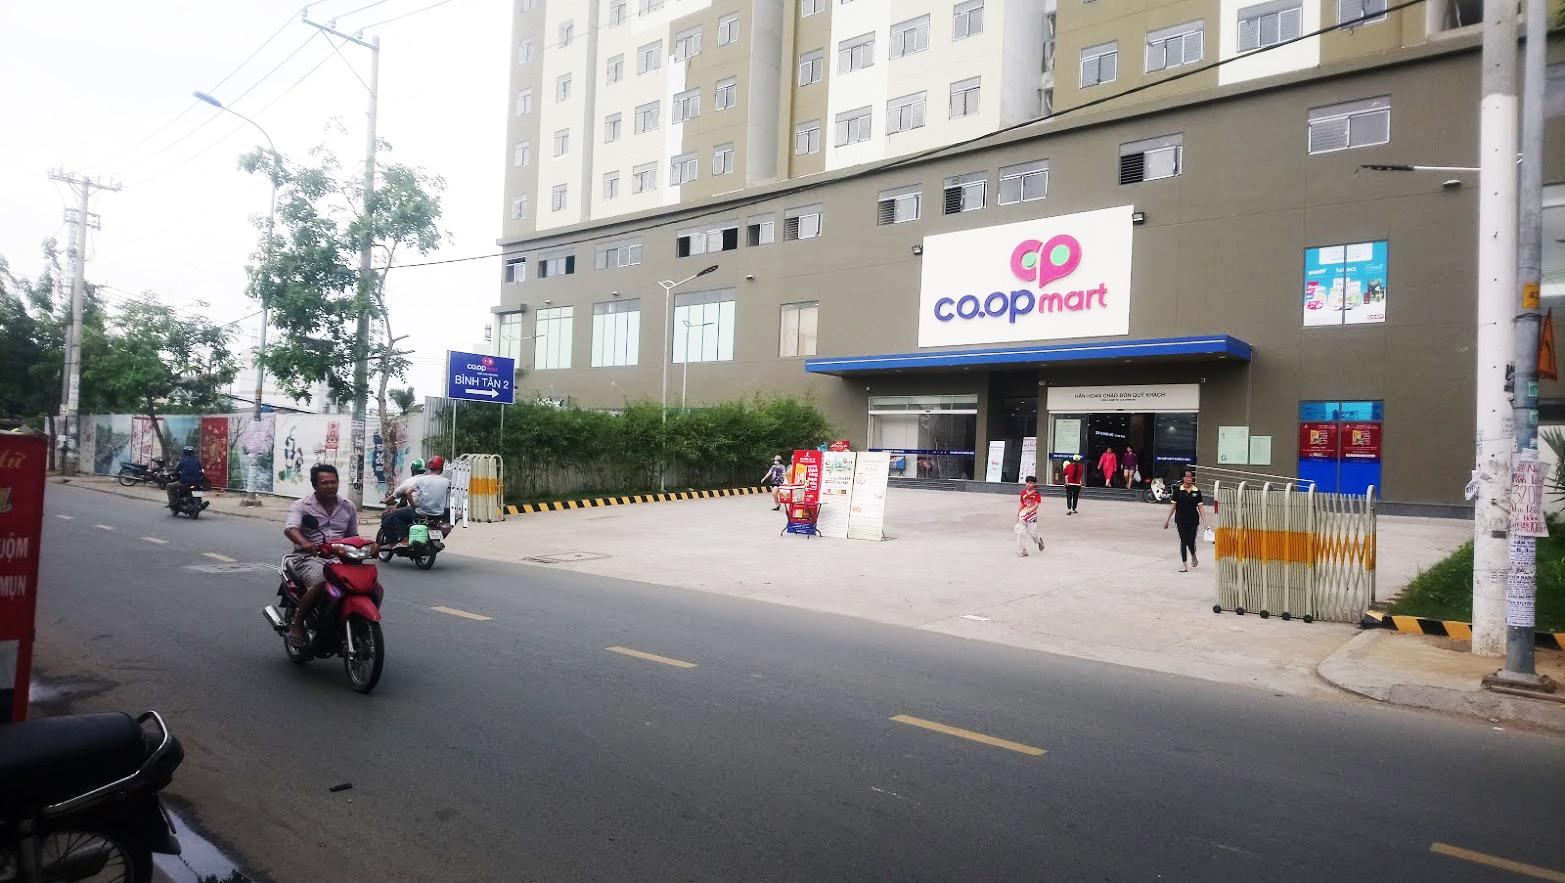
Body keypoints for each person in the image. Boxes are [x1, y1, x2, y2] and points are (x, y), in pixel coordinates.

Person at [283, 464, 360, 650]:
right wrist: (304, 543)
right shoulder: (302, 506)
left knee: (364, 584)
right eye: (325, 483)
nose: (330, 486)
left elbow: (353, 535)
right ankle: (297, 625)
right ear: (315, 485)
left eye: (333, 482)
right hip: (309, 558)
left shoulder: (348, 506)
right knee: (320, 582)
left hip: (340, 558)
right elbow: (291, 528)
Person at [381, 455, 452, 545]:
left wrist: (414, 506)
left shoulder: (422, 480)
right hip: (439, 513)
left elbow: (407, 492)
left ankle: (404, 539)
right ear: (441, 468)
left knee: (394, 515)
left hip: (421, 512)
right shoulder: (446, 482)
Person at [1163, 468, 1207, 572]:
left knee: (1191, 541)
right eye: (1187, 476)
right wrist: (1167, 520)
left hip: (1193, 520)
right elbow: (1173, 507)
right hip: (1181, 520)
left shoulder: (1197, 491)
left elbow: (1200, 508)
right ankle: (1185, 565)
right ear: (1183, 478)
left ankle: (1193, 555)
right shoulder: (1178, 491)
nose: (1189, 478)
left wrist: (1205, 522)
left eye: (1190, 476)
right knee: (1183, 541)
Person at [168, 445, 207, 510]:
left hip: (185, 482)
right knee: (198, 488)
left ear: (184, 452)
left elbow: (176, 470)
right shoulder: (197, 461)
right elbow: (201, 471)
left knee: (169, 486)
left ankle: (172, 503)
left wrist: (173, 473)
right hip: (197, 482)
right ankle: (199, 503)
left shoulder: (183, 461)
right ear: (193, 452)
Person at [1015, 475, 1044, 557]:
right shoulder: (1023, 493)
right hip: (1022, 515)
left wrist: (1029, 511)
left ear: (1034, 484)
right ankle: (1022, 550)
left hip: (1032, 516)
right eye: (1027, 483)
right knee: (1020, 533)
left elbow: (1036, 505)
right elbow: (1021, 504)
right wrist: (1018, 514)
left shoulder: (1036, 494)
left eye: (1030, 483)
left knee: (1033, 533)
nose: (1028, 484)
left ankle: (1039, 541)